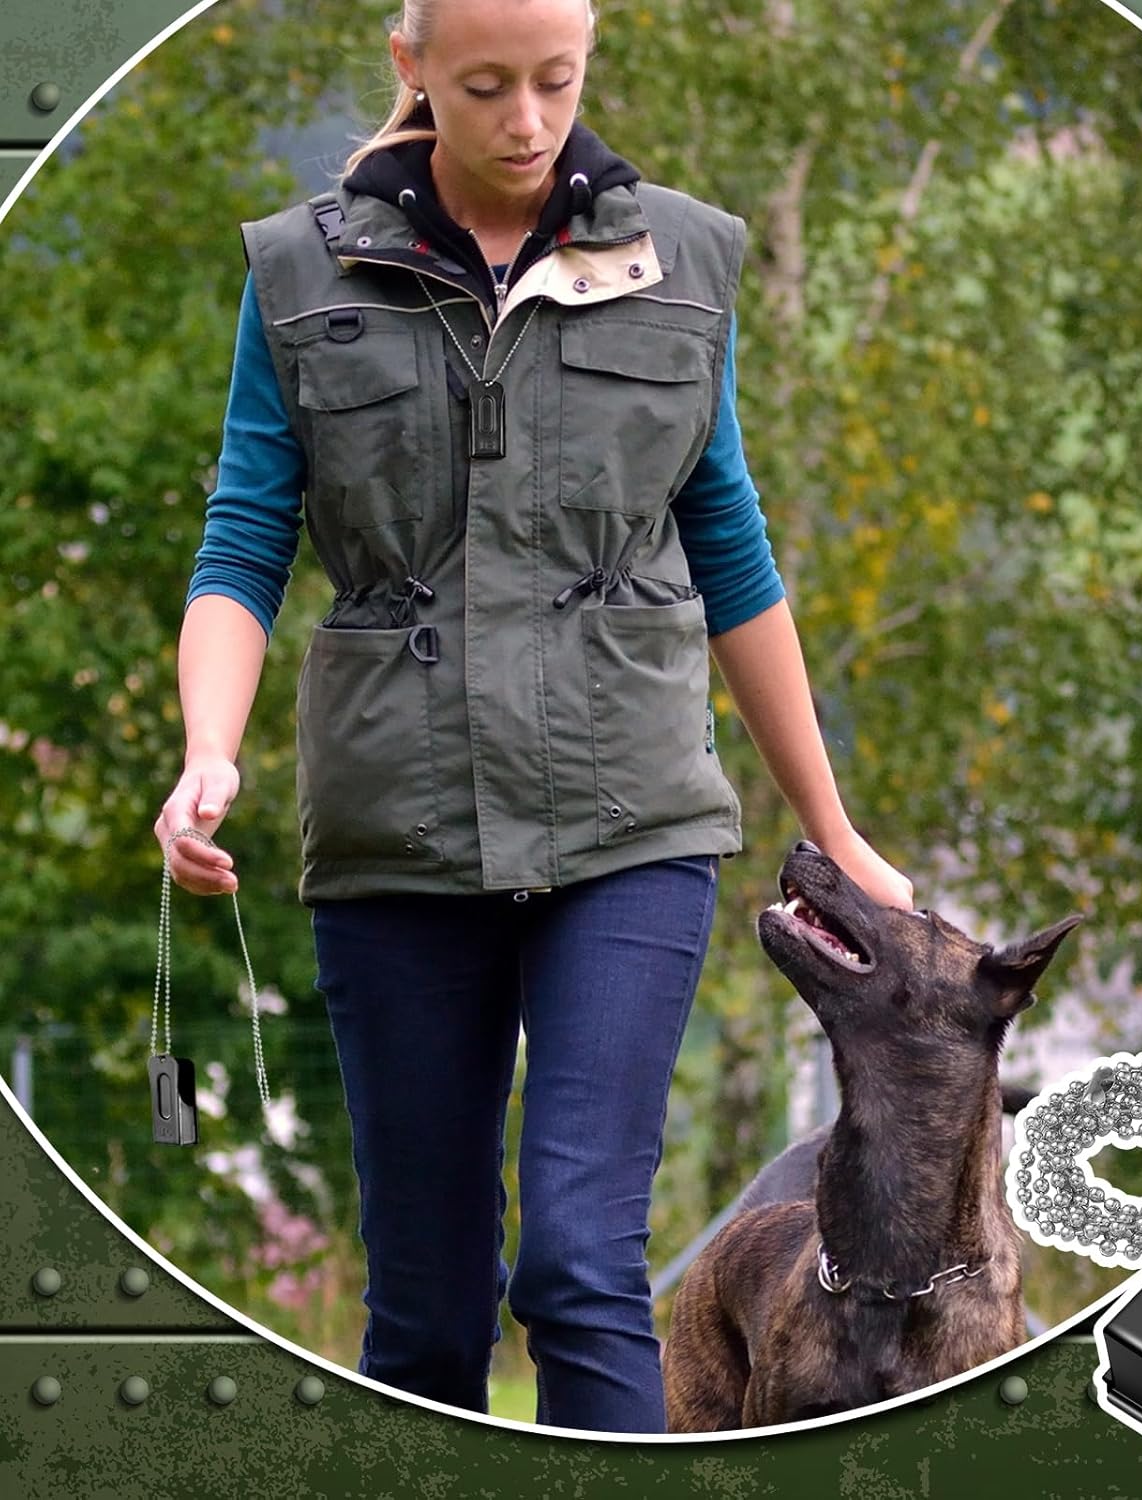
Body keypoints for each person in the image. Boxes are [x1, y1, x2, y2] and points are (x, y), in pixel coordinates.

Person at [153, 0, 913, 1434]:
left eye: (557, 82)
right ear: (412, 67)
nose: (528, 122)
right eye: (488, 85)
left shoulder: (682, 262)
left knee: (579, 1265)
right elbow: (243, 540)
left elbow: (731, 548)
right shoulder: (299, 274)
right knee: (427, 1303)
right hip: (395, 832)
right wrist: (209, 754)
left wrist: (834, 829)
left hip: (631, 822)